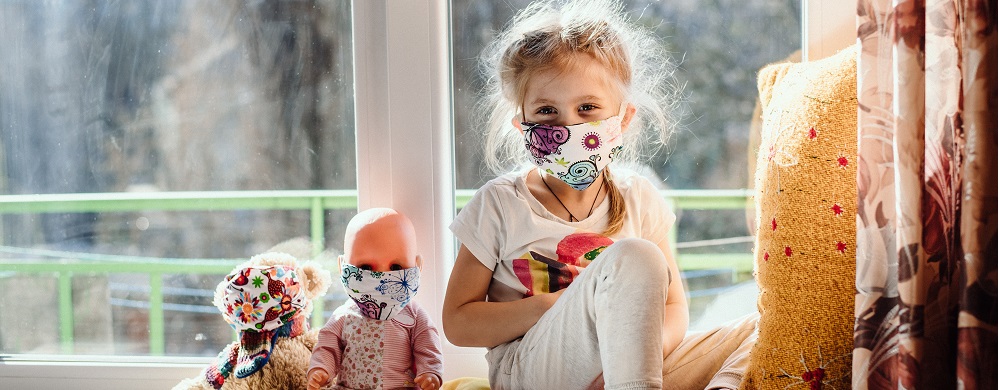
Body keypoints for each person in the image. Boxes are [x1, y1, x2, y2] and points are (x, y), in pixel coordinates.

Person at [442, 0, 757, 389]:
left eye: (587, 108)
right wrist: (549, 307)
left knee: (766, 322)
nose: (569, 126)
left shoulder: (640, 197)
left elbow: (674, 307)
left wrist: (631, 356)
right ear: (521, 124)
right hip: (532, 369)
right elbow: (457, 322)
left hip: (623, 369)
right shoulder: (499, 204)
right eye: (546, 112)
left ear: (623, 119)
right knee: (636, 255)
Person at [308, 208, 443, 390]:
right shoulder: (344, 316)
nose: (381, 276)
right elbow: (327, 347)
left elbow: (428, 346)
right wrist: (321, 369)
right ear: (343, 267)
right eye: (366, 267)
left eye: (395, 267)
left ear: (417, 266)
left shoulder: (414, 316)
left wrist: (430, 373)